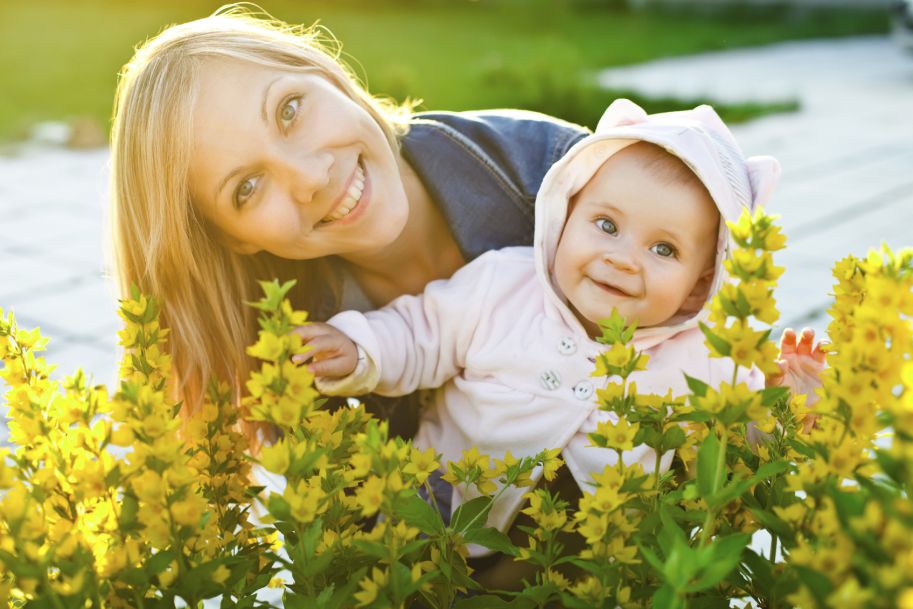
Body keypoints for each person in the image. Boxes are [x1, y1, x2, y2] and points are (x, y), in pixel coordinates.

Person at [295, 99, 827, 547]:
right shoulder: (503, 284)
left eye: (663, 248)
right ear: (563, 214)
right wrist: (358, 348)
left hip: (598, 553)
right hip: (449, 510)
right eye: (606, 225)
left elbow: (736, 446)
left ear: (701, 280)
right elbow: (418, 333)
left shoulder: (704, 356)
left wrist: (787, 409)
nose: (623, 258)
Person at [108, 6, 588, 422]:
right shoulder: (295, 361)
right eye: (247, 188)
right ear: (234, 238)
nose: (311, 178)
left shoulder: (560, 173)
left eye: (289, 110)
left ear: (328, 75)